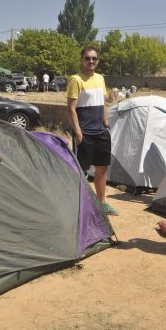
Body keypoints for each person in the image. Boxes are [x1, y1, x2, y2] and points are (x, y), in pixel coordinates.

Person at [67, 47, 118, 216]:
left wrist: (106, 123)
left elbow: (103, 102)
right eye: (87, 58)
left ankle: (102, 203)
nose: (91, 61)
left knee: (101, 169)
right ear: (81, 60)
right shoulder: (75, 79)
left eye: (94, 58)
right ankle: (80, 206)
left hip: (101, 132)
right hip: (85, 133)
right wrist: (79, 133)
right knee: (80, 171)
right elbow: (71, 108)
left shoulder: (100, 79)